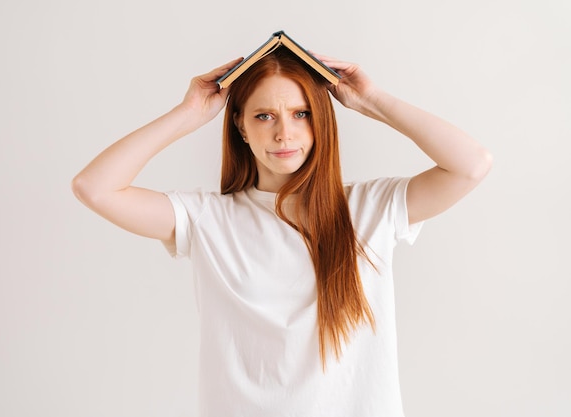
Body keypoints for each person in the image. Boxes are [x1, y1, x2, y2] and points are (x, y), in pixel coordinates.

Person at [72, 45, 492, 416]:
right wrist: (188, 115)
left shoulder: (370, 209)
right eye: (264, 115)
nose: (283, 132)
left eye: (300, 114)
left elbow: (472, 165)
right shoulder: (206, 218)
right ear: (240, 126)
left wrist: (372, 100)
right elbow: (94, 187)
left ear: (320, 121)